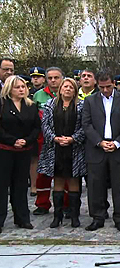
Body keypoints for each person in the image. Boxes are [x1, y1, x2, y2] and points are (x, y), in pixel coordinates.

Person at [82, 69, 120, 232]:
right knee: (95, 184)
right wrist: (99, 142)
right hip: (97, 147)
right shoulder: (90, 101)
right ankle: (98, 216)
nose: (105, 90)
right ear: (97, 85)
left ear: (114, 84)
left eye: (109, 87)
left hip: (117, 147)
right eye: (102, 87)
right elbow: (86, 124)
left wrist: (118, 142)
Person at [37, 78, 86, 228]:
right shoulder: (51, 105)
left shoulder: (81, 106)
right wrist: (55, 138)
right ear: (60, 89)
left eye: (71, 87)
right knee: (57, 181)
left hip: (74, 149)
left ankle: (74, 216)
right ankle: (57, 216)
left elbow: (85, 126)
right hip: (55, 149)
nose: (68, 89)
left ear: (75, 90)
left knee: (73, 181)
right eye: (65, 86)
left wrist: (73, 139)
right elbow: (45, 125)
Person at [0, 76, 40, 233]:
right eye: (17, 87)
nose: (21, 89)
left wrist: (27, 140)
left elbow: (37, 127)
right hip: (5, 149)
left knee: (21, 185)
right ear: (10, 89)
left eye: (23, 86)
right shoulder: (2, 104)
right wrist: (12, 140)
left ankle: (22, 218)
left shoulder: (30, 106)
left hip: (24, 150)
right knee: (2, 186)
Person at [33, 67, 69, 216]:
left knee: (65, 174)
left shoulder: (69, 93)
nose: (53, 80)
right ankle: (42, 203)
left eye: (56, 77)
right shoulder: (38, 96)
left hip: (65, 140)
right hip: (44, 140)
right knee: (43, 174)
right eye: (50, 78)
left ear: (62, 78)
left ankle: (66, 205)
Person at [28, 67, 46, 197]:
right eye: (33, 76)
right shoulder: (29, 93)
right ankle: (34, 186)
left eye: (38, 76)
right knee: (34, 158)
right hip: (37, 130)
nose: (35, 78)